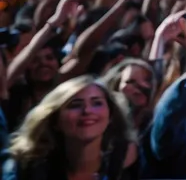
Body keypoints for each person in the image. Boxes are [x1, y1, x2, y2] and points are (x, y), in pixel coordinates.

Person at [2, 75, 138, 180]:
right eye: (75, 105)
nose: (87, 111)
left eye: (97, 103)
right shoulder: (26, 168)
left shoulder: (124, 163)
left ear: (111, 116)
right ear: (55, 121)